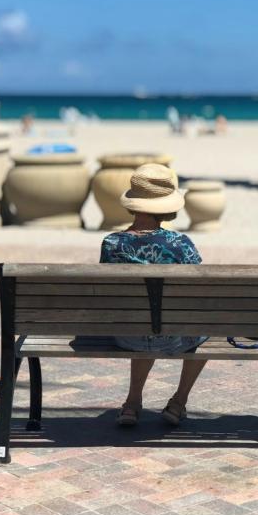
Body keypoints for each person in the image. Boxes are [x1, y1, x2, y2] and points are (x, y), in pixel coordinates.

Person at [99, 163, 209, 428]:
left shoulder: (111, 244)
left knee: (144, 316)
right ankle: (179, 401)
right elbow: (198, 289)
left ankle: (132, 403)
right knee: (207, 324)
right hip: (173, 338)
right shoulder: (181, 245)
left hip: (127, 336)